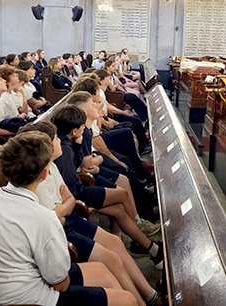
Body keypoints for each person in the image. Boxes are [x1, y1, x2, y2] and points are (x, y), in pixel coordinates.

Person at [0, 132, 136, 306]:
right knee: (127, 300)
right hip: (24, 300)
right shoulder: (44, 218)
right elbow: (61, 285)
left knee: (101, 270)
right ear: (44, 174)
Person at [21, 121, 160, 306]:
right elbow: (55, 218)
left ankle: (150, 295)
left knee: (115, 243)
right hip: (62, 232)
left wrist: (66, 205)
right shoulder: (39, 179)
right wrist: (67, 205)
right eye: (55, 139)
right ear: (44, 147)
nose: (59, 142)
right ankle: (142, 301)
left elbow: (68, 199)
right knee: (111, 258)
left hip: (71, 217)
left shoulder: (51, 166)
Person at [51, 106, 163, 269]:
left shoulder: (69, 144)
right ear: (74, 130)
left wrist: (78, 145)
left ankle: (148, 248)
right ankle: (139, 233)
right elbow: (70, 185)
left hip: (79, 190)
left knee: (118, 209)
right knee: (122, 194)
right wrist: (81, 206)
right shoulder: (64, 151)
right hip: (80, 194)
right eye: (82, 127)